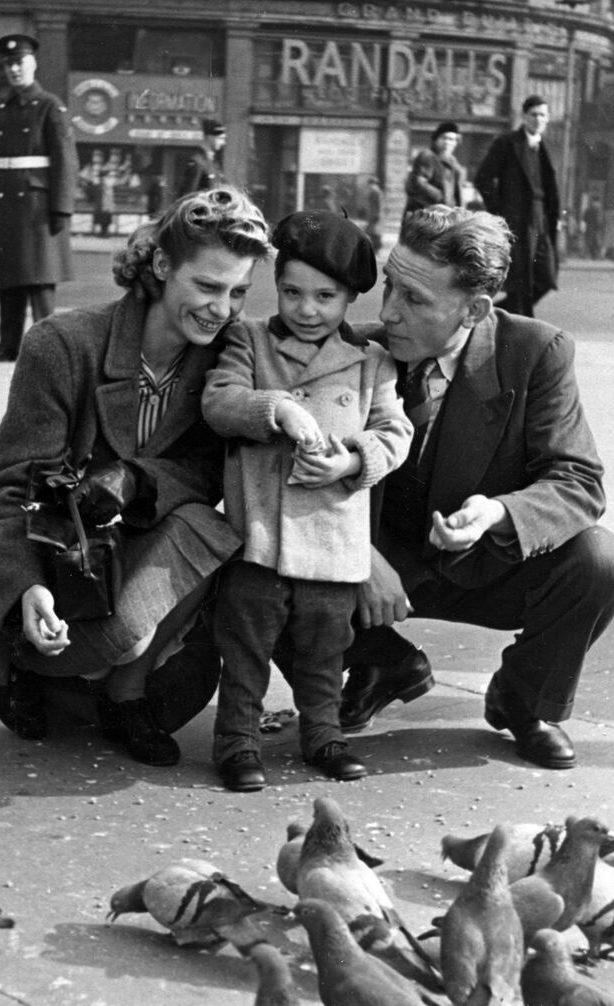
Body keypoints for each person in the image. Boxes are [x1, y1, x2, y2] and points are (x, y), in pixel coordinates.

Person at [0, 186, 272, 766]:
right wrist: (28, 588)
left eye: (238, 292)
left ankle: (125, 691)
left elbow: (205, 473)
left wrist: (136, 479)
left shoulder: (228, 356)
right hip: (50, 556)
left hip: (133, 552)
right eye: (206, 286)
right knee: (56, 703)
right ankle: (31, 670)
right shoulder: (64, 343)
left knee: (208, 530)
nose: (221, 309)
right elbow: (7, 485)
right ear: (160, 264)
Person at [334, 205, 614, 772]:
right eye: (390, 286)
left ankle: (522, 702)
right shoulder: (352, 350)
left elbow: (578, 480)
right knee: (260, 552)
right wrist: (358, 555)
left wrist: (497, 513)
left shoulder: (535, 351)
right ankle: (380, 660)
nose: (387, 313)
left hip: (487, 563)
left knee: (599, 558)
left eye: (415, 300)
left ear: (476, 309)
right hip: (373, 570)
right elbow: (285, 480)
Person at [202, 210, 413, 791]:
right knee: (243, 648)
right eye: (292, 292)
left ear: (350, 298)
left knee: (325, 652)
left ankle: (323, 735)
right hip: (258, 538)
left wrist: (350, 461)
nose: (307, 309)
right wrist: (277, 408)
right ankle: (238, 742)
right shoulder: (248, 340)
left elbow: (395, 433)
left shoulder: (372, 362)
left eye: (325, 296)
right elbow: (219, 401)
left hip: (333, 542)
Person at [0, 34, 78, 362]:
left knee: (38, 282)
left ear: (32, 64)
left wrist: (62, 206)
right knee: (9, 281)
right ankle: (9, 345)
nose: (13, 70)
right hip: (5, 202)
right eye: (8, 65)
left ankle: (45, 350)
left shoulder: (50, 106)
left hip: (37, 207)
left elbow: (65, 159)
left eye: (19, 63)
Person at [475, 95, 560, 318]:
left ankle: (497, 312)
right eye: (533, 115)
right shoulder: (507, 143)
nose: (538, 119)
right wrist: (500, 213)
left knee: (546, 277)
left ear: (548, 118)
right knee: (523, 280)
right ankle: (522, 325)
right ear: (524, 117)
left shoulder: (544, 147)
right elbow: (483, 178)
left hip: (541, 220)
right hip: (518, 220)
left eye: (543, 115)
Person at [402, 121, 464, 219]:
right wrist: (441, 197)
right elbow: (418, 182)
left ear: (456, 143)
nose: (447, 142)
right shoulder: (428, 156)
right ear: (436, 139)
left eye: (452, 139)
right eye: (444, 138)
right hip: (425, 214)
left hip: (445, 214)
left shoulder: (453, 162)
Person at [177, 119, 226, 197]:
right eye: (220, 138)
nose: (223, 142)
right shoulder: (198, 162)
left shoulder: (213, 163)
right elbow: (189, 195)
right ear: (210, 137)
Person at [364, 176, 383, 253]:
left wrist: (376, 214)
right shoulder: (377, 190)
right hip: (375, 214)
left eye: (369, 183)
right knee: (373, 231)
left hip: (374, 214)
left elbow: (377, 204)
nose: (368, 185)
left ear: (371, 183)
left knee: (372, 231)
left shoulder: (374, 191)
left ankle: (377, 247)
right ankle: (376, 247)